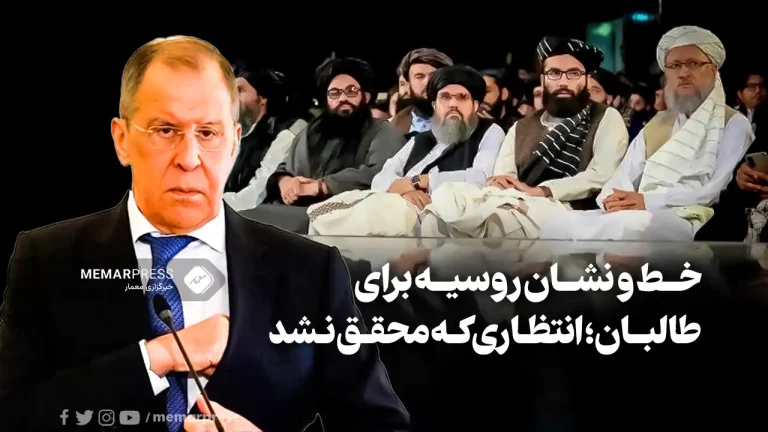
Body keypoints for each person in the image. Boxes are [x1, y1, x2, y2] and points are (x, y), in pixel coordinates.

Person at [0, 36, 409, 432]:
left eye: (208, 133)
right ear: (122, 140)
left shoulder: (311, 271)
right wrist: (155, 357)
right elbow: (12, 414)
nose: (189, 158)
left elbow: (380, 424)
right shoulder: (47, 259)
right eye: (165, 130)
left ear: (234, 143)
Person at [538, 26, 754, 242]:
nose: (683, 73)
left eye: (693, 63)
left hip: (690, 216)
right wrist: (613, 200)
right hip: (636, 212)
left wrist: (647, 201)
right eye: (674, 66)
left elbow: (718, 190)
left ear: (714, 70)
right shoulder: (657, 124)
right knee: (558, 225)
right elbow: (621, 179)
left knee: (630, 229)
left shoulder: (733, 124)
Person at [419, 36, 629, 238]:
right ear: (543, 79)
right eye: (554, 73)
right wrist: (506, 185)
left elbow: (600, 175)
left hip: (570, 211)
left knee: (495, 221)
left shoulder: (606, 118)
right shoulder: (521, 126)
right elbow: (504, 174)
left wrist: (542, 191)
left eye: (573, 73)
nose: (563, 81)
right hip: (515, 200)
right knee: (439, 212)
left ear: (585, 79)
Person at [306, 65, 504, 237]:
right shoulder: (421, 139)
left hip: (440, 212)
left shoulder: (489, 131)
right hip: (398, 202)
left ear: (475, 105)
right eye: (445, 97)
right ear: (435, 105)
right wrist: (404, 191)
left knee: (341, 222)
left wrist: (422, 181)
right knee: (323, 216)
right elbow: (382, 177)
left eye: (462, 97)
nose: (452, 104)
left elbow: (482, 177)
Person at [241, 57, 405, 233]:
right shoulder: (311, 132)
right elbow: (285, 166)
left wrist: (322, 186)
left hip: (341, 215)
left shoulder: (382, 131)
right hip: (296, 209)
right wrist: (284, 181)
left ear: (365, 97)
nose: (343, 98)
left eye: (351, 91)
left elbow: (381, 173)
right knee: (242, 219)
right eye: (334, 93)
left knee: (251, 222)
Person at [223, 61, 308, 210]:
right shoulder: (241, 132)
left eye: (240, 91)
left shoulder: (287, 132)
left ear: (262, 98)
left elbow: (258, 193)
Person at [390, 48, 453, 138]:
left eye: (434, 75)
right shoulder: (391, 127)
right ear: (408, 84)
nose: (427, 82)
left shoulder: (468, 121)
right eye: (419, 77)